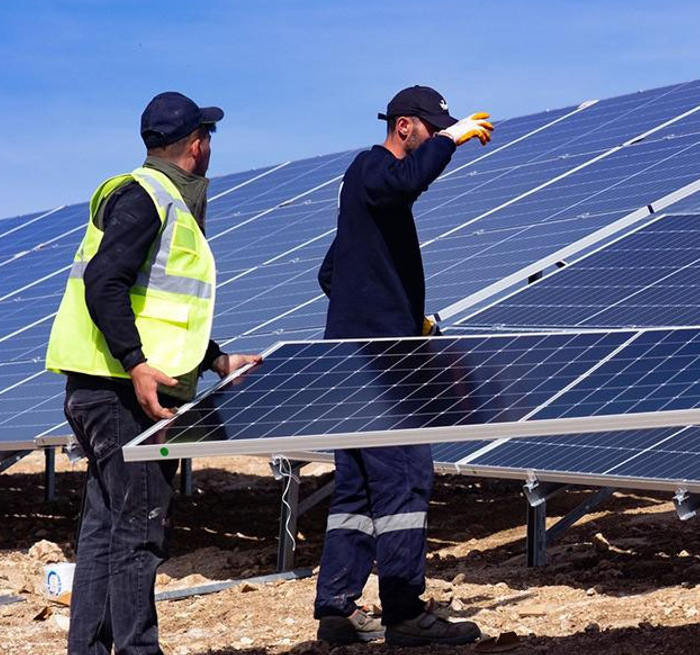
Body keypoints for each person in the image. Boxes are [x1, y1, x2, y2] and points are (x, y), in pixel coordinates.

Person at [45, 91, 262, 655]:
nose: (210, 146)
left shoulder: (152, 196)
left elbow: (157, 305)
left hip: (99, 387)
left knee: (106, 527)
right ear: (196, 144)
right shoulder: (150, 199)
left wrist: (217, 360)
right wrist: (137, 365)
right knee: (138, 529)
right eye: (207, 137)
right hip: (121, 393)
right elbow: (105, 282)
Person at [312, 86, 493, 647]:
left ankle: (337, 611)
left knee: (358, 490)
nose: (437, 137)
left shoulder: (367, 201)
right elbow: (405, 181)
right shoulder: (373, 169)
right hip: (377, 364)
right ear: (406, 127)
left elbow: (332, 273)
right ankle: (405, 613)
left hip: (355, 358)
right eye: (431, 129)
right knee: (405, 479)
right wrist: (449, 144)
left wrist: (398, 315)